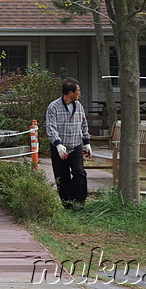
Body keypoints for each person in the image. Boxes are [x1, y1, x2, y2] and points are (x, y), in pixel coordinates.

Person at [45, 77, 91, 209]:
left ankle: (79, 203)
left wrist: (86, 142)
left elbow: (84, 124)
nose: (79, 93)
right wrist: (58, 144)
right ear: (70, 93)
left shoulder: (79, 106)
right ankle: (68, 204)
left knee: (79, 172)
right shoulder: (53, 107)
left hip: (75, 145)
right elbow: (50, 127)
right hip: (59, 147)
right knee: (62, 177)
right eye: (78, 91)